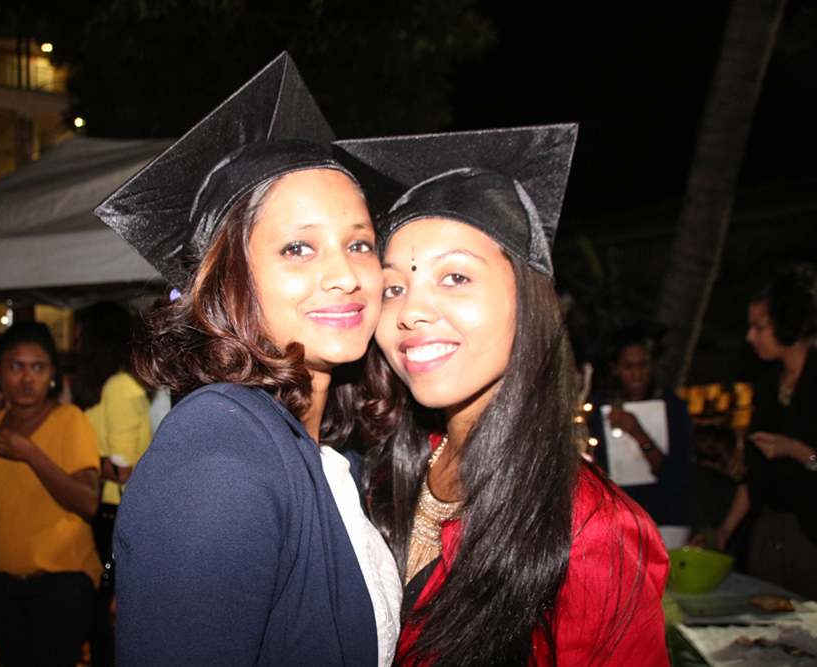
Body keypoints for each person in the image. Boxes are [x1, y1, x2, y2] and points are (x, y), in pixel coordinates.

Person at [95, 53, 401, 667]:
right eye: (298, 247)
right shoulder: (218, 455)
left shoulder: (321, 453)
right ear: (231, 278)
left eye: (360, 243)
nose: (345, 275)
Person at [336, 126, 669, 666]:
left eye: (455, 277)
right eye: (394, 287)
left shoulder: (591, 529)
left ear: (527, 301)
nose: (410, 311)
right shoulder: (386, 473)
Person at [0, 321, 102, 667]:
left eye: (38, 368)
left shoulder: (70, 421)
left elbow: (87, 502)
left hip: (60, 585)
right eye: (16, 367)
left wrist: (32, 455)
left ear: (52, 375)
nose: (27, 378)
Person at [716, 263, 817, 599]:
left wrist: (797, 451)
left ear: (787, 324)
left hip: (809, 533)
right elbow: (754, 473)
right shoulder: (766, 387)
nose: (750, 337)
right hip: (767, 530)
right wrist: (726, 529)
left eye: (759, 327)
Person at [71, 301, 152, 667]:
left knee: (108, 604)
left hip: (115, 507)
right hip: (104, 504)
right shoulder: (108, 384)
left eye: (80, 336)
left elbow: (121, 468)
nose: (75, 343)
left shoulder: (120, 385)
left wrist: (77, 458)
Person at [585, 326, 694, 528]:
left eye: (644, 365)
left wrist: (638, 433)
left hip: (664, 517)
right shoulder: (599, 405)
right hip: (616, 517)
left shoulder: (672, 407)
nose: (637, 375)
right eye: (628, 367)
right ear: (615, 368)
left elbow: (678, 475)